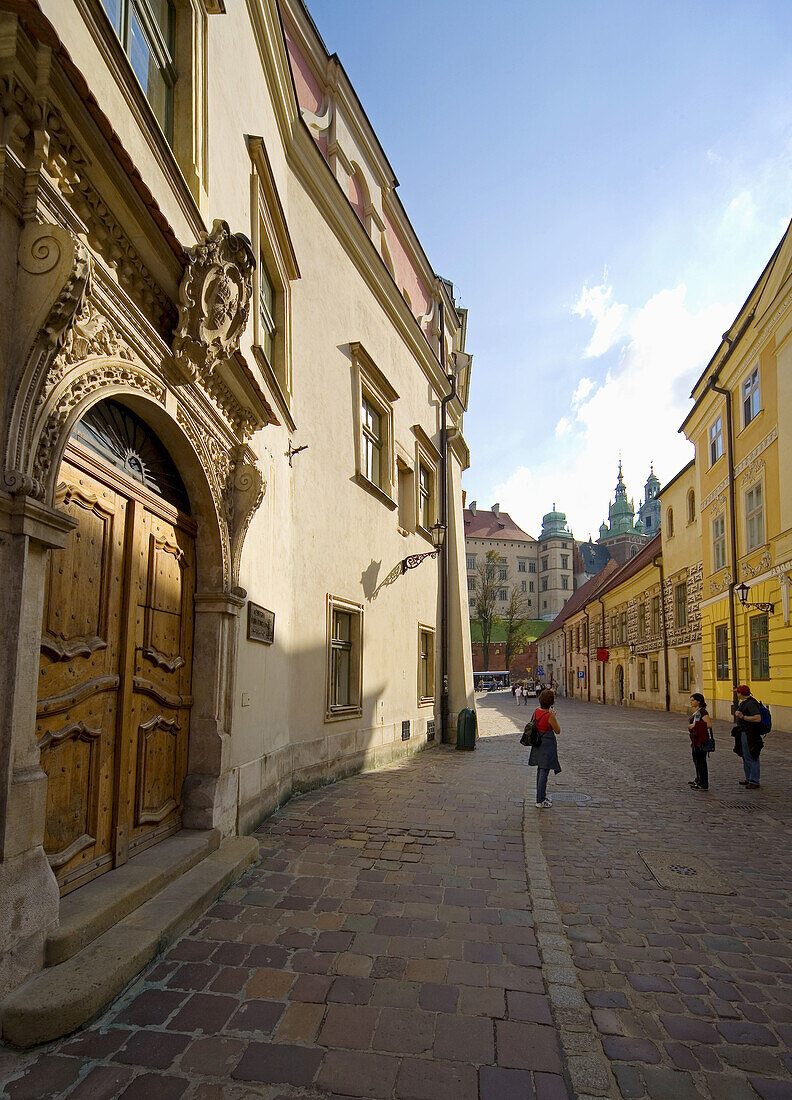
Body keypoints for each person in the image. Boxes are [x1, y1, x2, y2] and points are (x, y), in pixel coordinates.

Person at [528, 688, 561, 808]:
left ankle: (540, 796)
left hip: (537, 744)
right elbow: (558, 731)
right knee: (544, 772)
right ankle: (540, 801)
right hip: (547, 745)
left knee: (540, 770)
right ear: (551, 702)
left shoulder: (536, 711)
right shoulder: (549, 716)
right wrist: (554, 717)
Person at [732, 685, 763, 788]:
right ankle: (749, 778)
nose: (737, 694)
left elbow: (757, 718)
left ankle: (754, 780)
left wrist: (743, 717)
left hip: (750, 734)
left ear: (741, 694)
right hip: (744, 732)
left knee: (752, 756)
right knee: (745, 756)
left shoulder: (751, 704)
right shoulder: (745, 703)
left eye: (738, 693)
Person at [687, 693, 712, 791]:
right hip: (696, 740)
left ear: (699, 701)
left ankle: (703, 783)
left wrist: (694, 726)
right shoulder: (697, 711)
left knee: (701, 762)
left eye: (693, 700)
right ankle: (698, 780)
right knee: (696, 760)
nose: (691, 702)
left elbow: (708, 724)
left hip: (701, 740)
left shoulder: (703, 712)